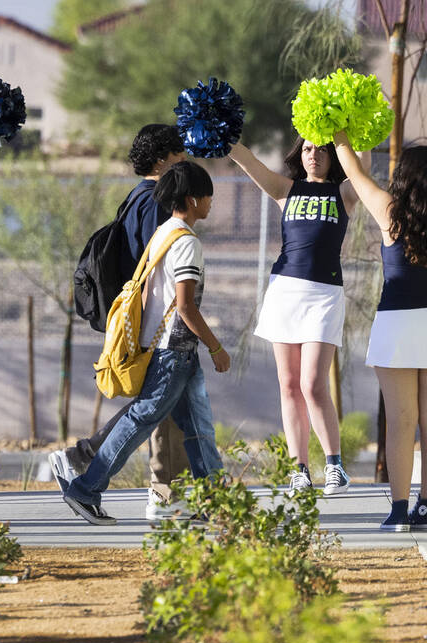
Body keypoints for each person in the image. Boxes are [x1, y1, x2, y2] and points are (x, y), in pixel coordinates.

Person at [59, 162, 230, 525]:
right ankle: (85, 490)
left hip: (172, 352)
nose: (212, 202)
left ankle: (215, 502)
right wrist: (216, 347)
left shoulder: (164, 234)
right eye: (208, 195)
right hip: (174, 354)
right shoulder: (186, 242)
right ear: (193, 198)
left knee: (199, 428)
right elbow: (185, 306)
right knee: (139, 422)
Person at [332, 132, 427, 532]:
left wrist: (338, 129)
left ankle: (399, 511)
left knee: (400, 422)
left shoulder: (389, 210)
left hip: (397, 323)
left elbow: (353, 169)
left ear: (405, 178)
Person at [48, 123, 193, 524]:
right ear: (163, 158)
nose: (185, 159)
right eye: (179, 153)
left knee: (158, 407)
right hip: (155, 324)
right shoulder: (154, 203)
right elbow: (156, 266)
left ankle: (95, 463)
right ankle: (152, 491)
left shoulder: (137, 198)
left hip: (148, 322)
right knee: (155, 408)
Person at [228, 138, 366, 496]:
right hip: (284, 291)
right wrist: (222, 133)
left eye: (321, 149)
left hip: (324, 295)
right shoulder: (286, 189)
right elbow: (247, 160)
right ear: (299, 155)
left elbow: (360, 164)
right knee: (289, 385)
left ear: (332, 154)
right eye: (307, 149)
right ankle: (299, 469)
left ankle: (335, 466)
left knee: (312, 385)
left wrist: (347, 133)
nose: (313, 155)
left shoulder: (345, 193)